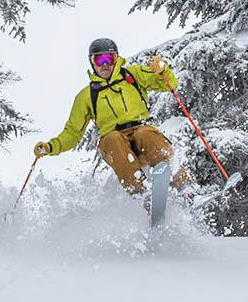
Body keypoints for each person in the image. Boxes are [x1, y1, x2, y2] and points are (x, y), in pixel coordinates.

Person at [34, 37, 188, 196]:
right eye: (99, 60)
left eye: (109, 58)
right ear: (92, 63)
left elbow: (167, 84)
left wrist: (162, 70)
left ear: (116, 59)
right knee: (112, 139)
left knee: (146, 134)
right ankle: (141, 193)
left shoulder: (133, 75)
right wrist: (50, 147)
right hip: (116, 144)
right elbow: (72, 132)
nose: (105, 64)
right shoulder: (87, 96)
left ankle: (183, 186)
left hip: (140, 130)